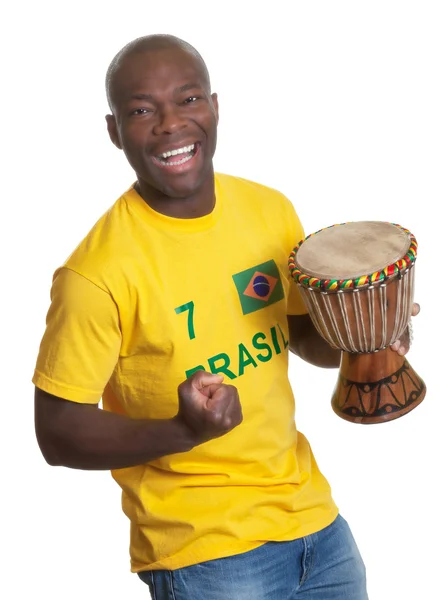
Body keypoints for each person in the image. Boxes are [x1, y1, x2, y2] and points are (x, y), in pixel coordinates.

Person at [33, 34, 418, 599]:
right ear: (114, 131)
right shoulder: (96, 274)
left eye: (188, 99)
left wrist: (366, 334)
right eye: (142, 110)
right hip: (206, 554)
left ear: (215, 107)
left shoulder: (269, 210)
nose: (170, 123)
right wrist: (183, 431)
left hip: (316, 523)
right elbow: (57, 435)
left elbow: (301, 337)